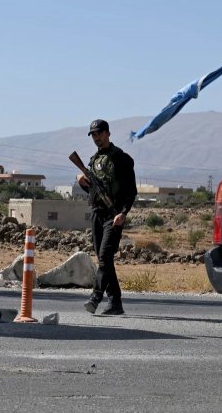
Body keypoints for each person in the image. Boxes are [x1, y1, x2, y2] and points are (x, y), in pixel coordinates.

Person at [76, 119, 137, 315]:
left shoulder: (121, 158)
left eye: (99, 133)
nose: (97, 137)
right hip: (97, 213)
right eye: (93, 134)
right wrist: (81, 182)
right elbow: (92, 191)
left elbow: (131, 190)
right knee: (104, 260)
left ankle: (95, 298)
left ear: (108, 133)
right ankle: (115, 302)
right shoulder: (93, 161)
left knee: (104, 257)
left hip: (114, 214)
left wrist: (123, 213)